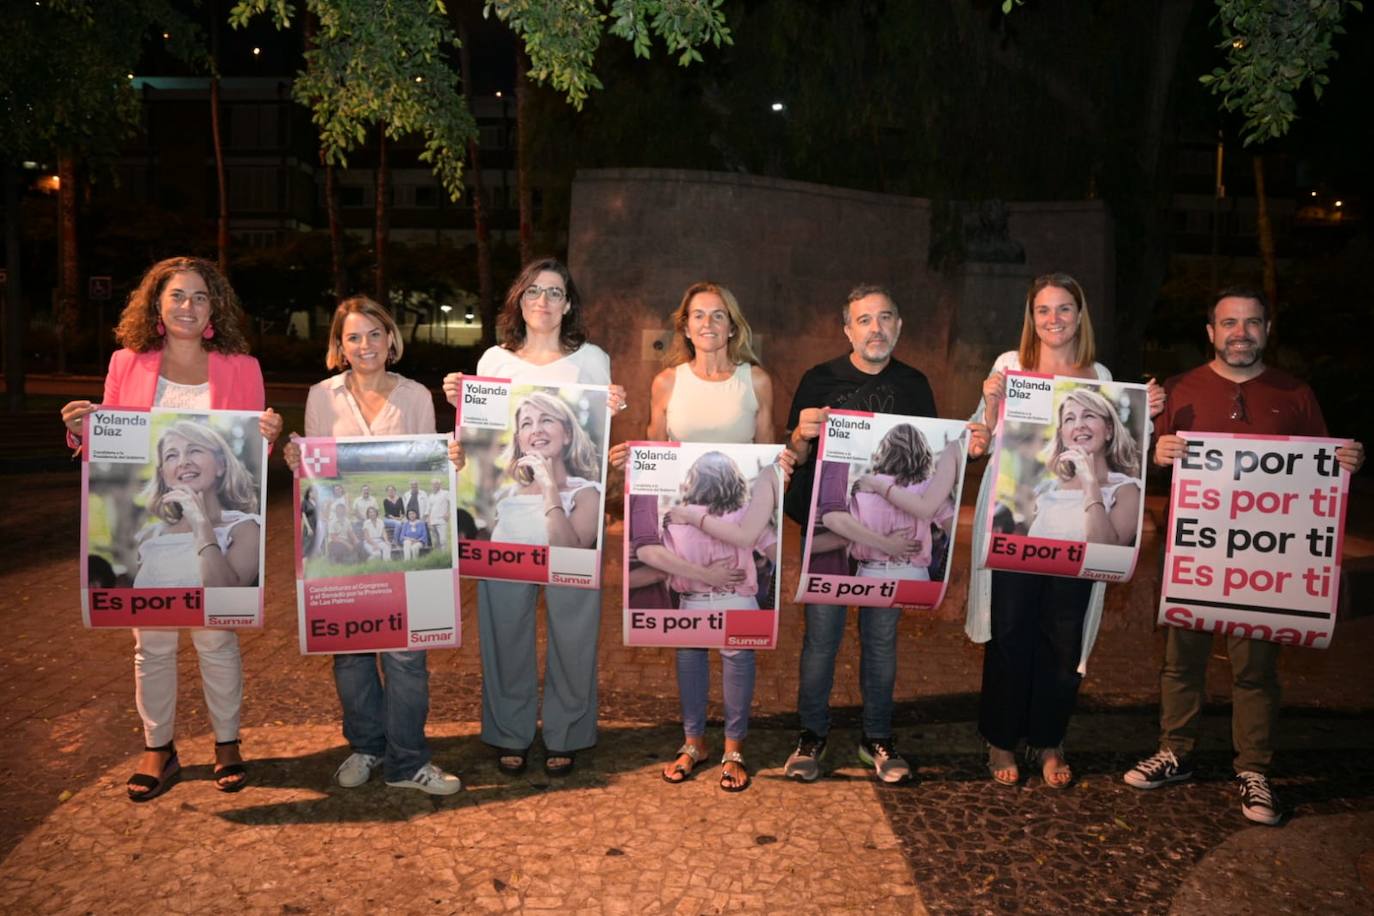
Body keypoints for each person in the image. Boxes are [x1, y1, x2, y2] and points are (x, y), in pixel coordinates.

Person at [1123, 287, 1364, 825]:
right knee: (1179, 660)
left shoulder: (1295, 394)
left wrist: (1346, 460)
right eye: (1228, 323)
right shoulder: (1179, 389)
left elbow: (1320, 471)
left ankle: (1254, 767)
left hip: (1264, 560)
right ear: (1210, 331)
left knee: (1256, 667)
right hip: (1194, 552)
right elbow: (1135, 461)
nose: (1240, 333)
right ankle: (1175, 751)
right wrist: (1154, 450)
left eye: (1251, 323)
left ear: (1267, 330)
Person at [59, 256, 282, 801]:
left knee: (216, 638)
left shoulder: (241, 368)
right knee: (152, 644)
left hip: (219, 524)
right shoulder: (126, 364)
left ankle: (226, 742)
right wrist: (79, 431)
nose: (188, 305)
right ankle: (159, 747)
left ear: (214, 309)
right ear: (158, 306)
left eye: (200, 297)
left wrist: (270, 433)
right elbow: (116, 449)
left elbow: (246, 455)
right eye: (177, 295)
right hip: (158, 528)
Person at [782, 284, 988, 784]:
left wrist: (969, 449)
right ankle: (811, 736)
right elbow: (794, 460)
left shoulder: (915, 385)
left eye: (886, 318)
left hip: (894, 544)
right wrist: (799, 437)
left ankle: (876, 737)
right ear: (847, 328)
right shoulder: (818, 379)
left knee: (881, 643)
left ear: (898, 325)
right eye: (865, 319)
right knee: (820, 642)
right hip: (832, 538)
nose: (876, 328)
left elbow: (928, 462)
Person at [967, 272, 1163, 789]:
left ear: (1080, 316)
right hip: (1020, 517)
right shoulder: (1010, 365)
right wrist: (990, 403)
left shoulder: (1097, 372)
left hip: (1077, 529)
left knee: (1063, 635)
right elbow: (981, 442)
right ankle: (1002, 738)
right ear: (1031, 318)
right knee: (1009, 631)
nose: (1053, 320)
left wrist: (1151, 418)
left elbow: (1116, 441)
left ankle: (1050, 738)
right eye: (1043, 310)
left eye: (1064, 310)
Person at [442, 257, 625, 778]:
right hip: (508, 515)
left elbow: (598, 424)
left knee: (574, 630)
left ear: (569, 304)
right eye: (533, 292)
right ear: (518, 302)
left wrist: (615, 406)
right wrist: (460, 406)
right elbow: (479, 436)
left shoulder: (592, 360)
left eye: (555, 292)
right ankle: (510, 732)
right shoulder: (494, 361)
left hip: (569, 513)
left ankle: (568, 732)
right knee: (505, 631)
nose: (543, 301)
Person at [284, 295, 461, 796]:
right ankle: (367, 746)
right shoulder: (322, 395)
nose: (366, 345)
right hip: (343, 548)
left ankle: (407, 762)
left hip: (403, 547)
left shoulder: (416, 396)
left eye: (375, 334)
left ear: (391, 339)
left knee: (407, 657)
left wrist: (451, 458)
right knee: (351, 654)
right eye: (354, 337)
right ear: (339, 346)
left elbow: (428, 475)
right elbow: (315, 474)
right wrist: (297, 459)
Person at [641, 280, 778, 793]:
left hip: (738, 531)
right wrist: (629, 460)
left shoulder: (755, 381)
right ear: (685, 325)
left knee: (737, 648)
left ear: (732, 325)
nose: (707, 324)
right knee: (689, 645)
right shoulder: (666, 382)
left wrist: (786, 461)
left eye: (718, 315)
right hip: (687, 537)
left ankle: (735, 747)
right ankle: (693, 741)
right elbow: (653, 447)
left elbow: (768, 452)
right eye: (698, 315)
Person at [639, 450, 779, 610]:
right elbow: (776, 554)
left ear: (694, 482)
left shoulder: (676, 518)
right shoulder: (750, 514)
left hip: (693, 606)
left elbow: (663, 572)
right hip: (740, 603)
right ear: (735, 480)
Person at [133, 420, 263, 589]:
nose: (183, 462)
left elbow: (224, 595)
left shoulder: (247, 529)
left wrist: (201, 524)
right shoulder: (150, 537)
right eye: (171, 455)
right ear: (163, 475)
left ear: (221, 465)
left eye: (194, 451)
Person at [829, 425, 960, 582]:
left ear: (885, 451)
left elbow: (845, 539)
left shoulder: (864, 486)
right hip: (914, 574)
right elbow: (954, 532)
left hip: (869, 573)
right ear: (922, 452)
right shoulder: (930, 490)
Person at [1021, 387, 1143, 547]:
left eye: (1089, 416)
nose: (1078, 425)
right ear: (1062, 436)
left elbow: (1106, 552)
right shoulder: (1047, 489)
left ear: (1109, 430)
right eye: (1069, 419)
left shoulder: (1127, 490)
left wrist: (1090, 484)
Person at [488, 392, 602, 548]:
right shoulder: (506, 496)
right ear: (520, 441)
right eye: (526, 424)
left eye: (546, 420)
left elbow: (569, 556)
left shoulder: (589, 495)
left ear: (567, 434)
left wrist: (549, 489)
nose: (536, 430)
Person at [425, 478, 452, 550]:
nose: (435, 486)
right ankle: (438, 556)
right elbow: (428, 510)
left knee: (443, 540)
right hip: (432, 521)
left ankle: (444, 555)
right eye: (433, 484)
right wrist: (428, 520)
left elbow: (452, 503)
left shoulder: (445, 493)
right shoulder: (431, 496)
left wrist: (448, 513)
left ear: (440, 485)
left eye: (436, 484)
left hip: (442, 520)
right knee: (435, 541)